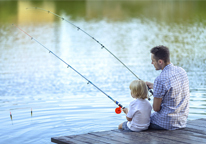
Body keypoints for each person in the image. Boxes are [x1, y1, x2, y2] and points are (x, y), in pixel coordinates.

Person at [146, 45, 190, 130]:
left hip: (165, 123)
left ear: (160, 61)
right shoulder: (181, 71)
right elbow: (172, 89)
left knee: (136, 121)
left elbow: (156, 108)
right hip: (182, 121)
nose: (152, 63)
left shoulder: (160, 79)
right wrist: (154, 86)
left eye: (153, 61)